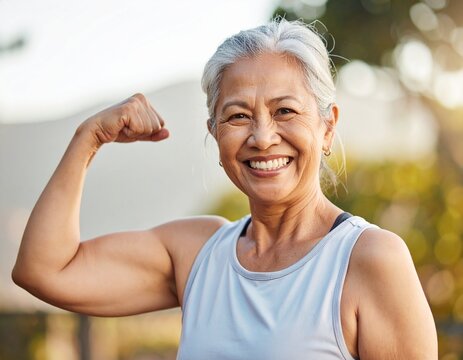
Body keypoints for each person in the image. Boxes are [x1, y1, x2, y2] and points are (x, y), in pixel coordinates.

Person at [12, 19, 437, 359]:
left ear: (327, 127)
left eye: (285, 110)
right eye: (237, 117)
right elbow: (45, 270)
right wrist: (88, 139)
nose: (262, 137)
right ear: (214, 134)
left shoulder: (369, 259)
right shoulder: (195, 253)